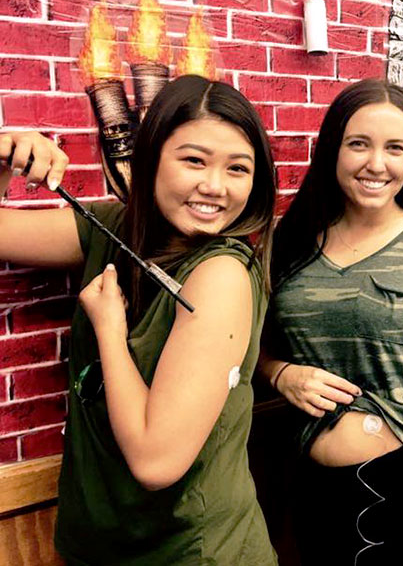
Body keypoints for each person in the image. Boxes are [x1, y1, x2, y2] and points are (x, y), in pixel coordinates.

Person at [0, 75, 279, 564]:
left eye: (238, 168)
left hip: (192, 554)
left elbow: (157, 461)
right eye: (193, 160)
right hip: (98, 544)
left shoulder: (222, 274)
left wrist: (110, 329)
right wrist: (2, 156)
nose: (214, 187)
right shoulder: (111, 227)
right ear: (150, 159)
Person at [258, 78, 403, 566]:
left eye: (395, 148)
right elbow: (247, 350)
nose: (376, 163)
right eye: (359, 144)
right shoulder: (288, 243)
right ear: (333, 150)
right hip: (315, 494)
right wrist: (281, 373)